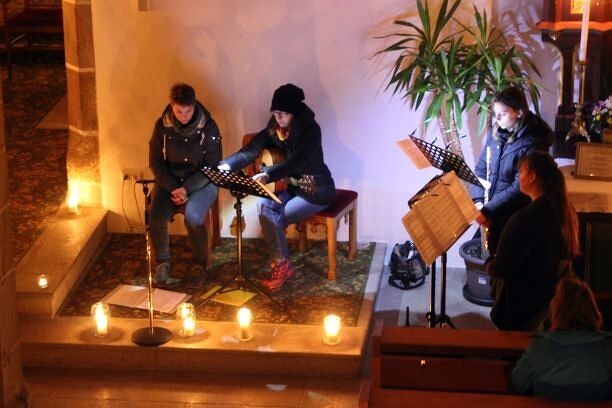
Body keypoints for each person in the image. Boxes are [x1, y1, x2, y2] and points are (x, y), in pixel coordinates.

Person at [219, 83, 335, 290]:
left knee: (274, 217)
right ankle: (282, 262)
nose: (278, 118)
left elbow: (297, 162)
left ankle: (281, 263)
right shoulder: (275, 128)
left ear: (294, 113)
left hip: (315, 189)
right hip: (289, 186)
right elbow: (251, 150)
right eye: (275, 112)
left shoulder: (311, 131)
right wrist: (224, 166)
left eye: (283, 113)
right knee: (264, 206)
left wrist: (268, 174)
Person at [486, 151, 579, 331]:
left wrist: (489, 261)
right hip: (549, 300)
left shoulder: (526, 218)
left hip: (523, 309)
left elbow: (501, 270)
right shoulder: (566, 210)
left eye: (521, 172)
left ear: (532, 176)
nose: (518, 177)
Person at [149, 83, 222, 285]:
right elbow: (155, 161)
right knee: (156, 215)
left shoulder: (209, 126)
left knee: (194, 216)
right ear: (172, 107)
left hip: (202, 181)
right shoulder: (162, 126)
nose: (184, 116)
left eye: (188, 111)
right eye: (179, 111)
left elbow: (212, 166)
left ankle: (200, 263)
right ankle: (162, 262)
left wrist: (187, 188)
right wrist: (173, 187)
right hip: (170, 181)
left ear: (194, 105)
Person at [471, 86, 554, 254]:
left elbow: (519, 187)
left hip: (514, 214)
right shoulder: (495, 133)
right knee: (479, 254)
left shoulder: (533, 142)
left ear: (519, 113)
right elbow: (481, 169)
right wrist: (478, 202)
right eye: (495, 113)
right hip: (491, 209)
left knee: (498, 259)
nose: (497, 118)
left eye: (502, 113)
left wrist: (488, 210)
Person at [511, 277, 612, 401]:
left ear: (556, 310)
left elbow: (519, 383)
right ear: (593, 310)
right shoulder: (608, 348)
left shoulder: (539, 346)